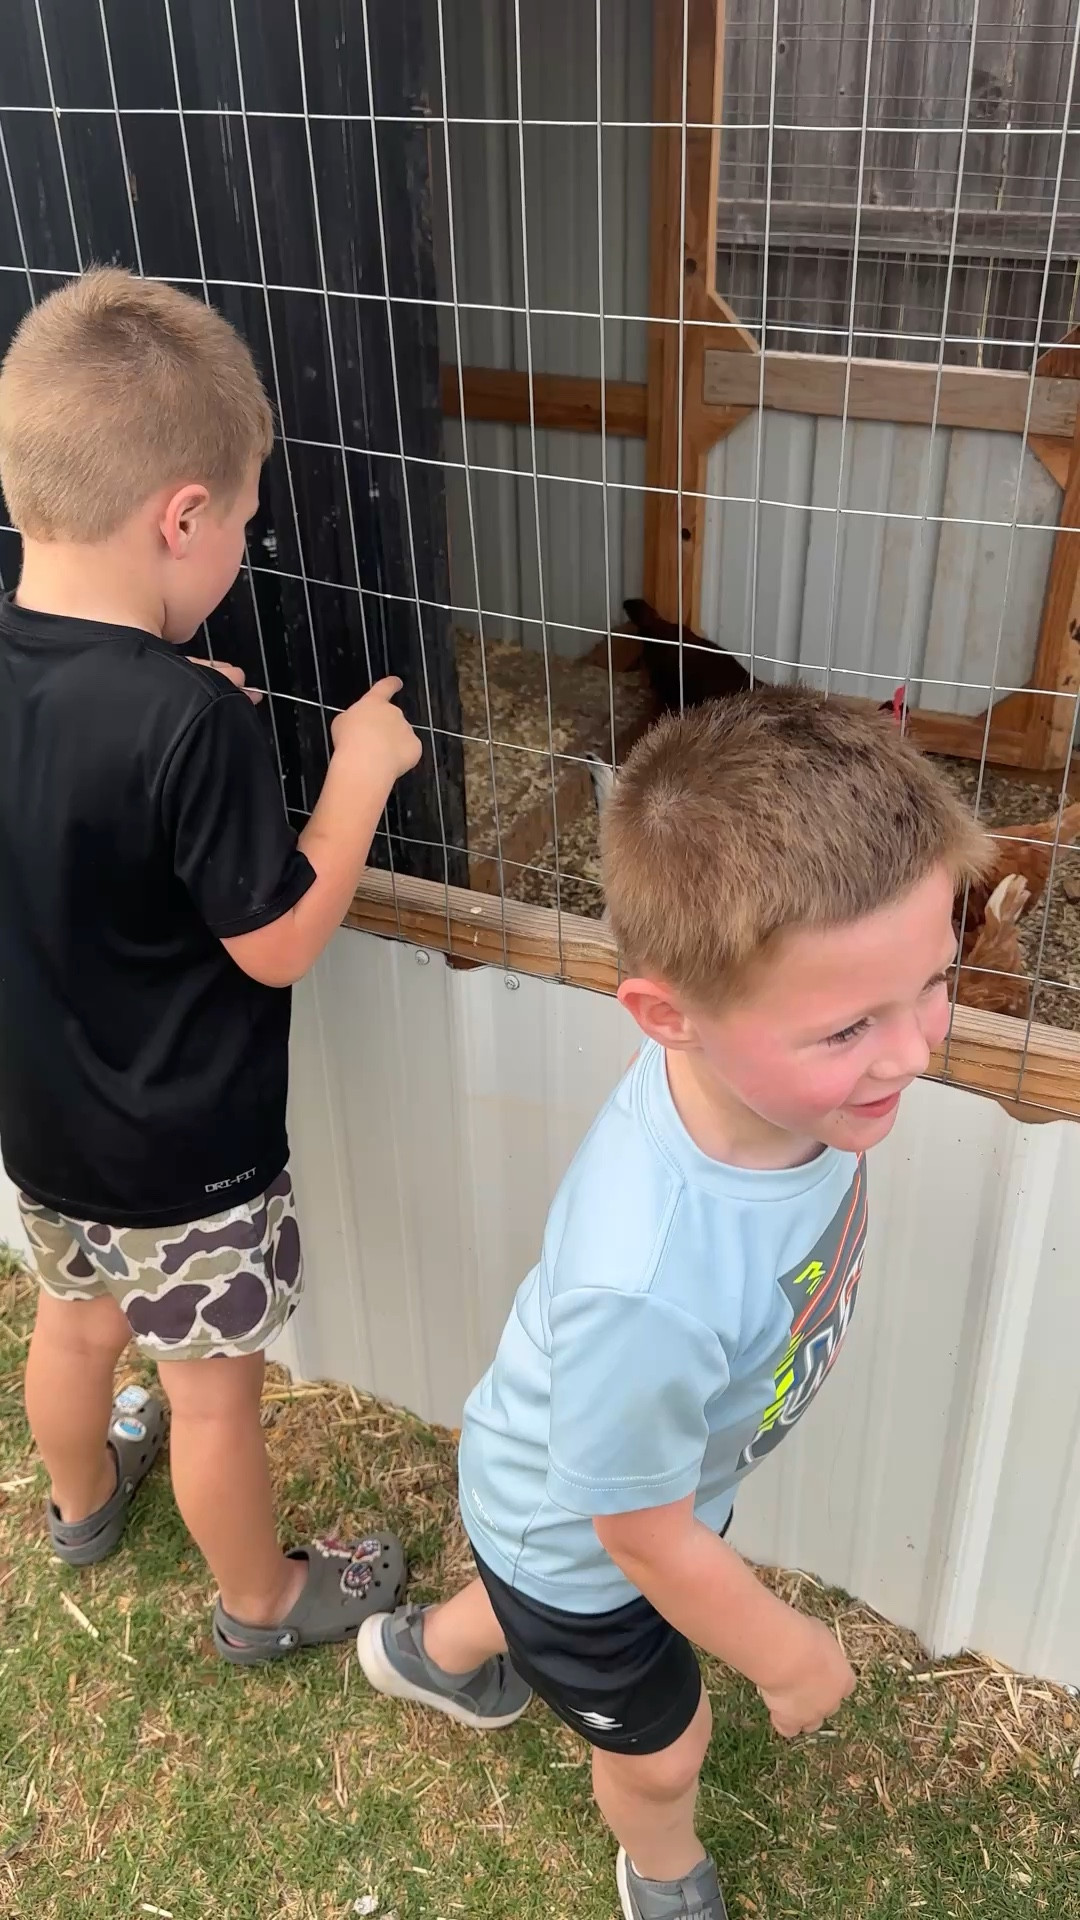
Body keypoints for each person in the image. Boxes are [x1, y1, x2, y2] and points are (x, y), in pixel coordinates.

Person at [357, 689, 990, 1919]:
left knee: (532, 1587)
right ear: (667, 1016)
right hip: (590, 1533)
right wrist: (783, 1650)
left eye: (932, 984)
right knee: (663, 1740)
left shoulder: (787, 1095)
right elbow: (638, 1539)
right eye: (850, 1025)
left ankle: (427, 1657)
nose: (914, 1052)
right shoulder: (646, 1282)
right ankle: (662, 1871)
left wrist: (844, 1041)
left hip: (586, 1497)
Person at [0, 269, 421, 1663]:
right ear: (182, 518)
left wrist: (189, 714)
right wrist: (354, 771)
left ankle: (78, 1506)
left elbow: (76, 798)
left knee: (72, 1329)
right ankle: (266, 1602)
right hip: (190, 1163)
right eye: (242, 520)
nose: (247, 541)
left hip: (47, 1136)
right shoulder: (193, 728)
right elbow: (283, 934)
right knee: (213, 1399)